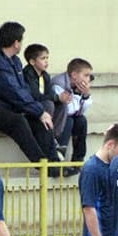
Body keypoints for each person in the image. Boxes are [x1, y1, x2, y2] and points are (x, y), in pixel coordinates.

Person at [0, 21, 62, 176]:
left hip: (6, 105)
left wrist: (38, 111)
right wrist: (39, 111)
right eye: (21, 40)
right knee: (18, 121)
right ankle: (42, 165)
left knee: (39, 121)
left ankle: (54, 164)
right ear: (16, 43)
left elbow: (22, 90)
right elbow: (12, 91)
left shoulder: (15, 61)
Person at [22, 42, 72, 174]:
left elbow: (49, 93)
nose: (46, 61)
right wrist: (54, 98)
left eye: (47, 58)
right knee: (49, 104)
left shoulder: (45, 75)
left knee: (62, 106)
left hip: (43, 107)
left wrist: (59, 98)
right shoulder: (28, 74)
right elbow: (34, 95)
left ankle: (54, 134)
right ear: (32, 61)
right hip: (31, 109)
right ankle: (51, 137)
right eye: (43, 58)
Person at [51, 57, 93, 167]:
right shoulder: (58, 83)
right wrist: (77, 94)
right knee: (69, 120)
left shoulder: (75, 86)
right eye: (86, 75)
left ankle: (78, 160)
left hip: (68, 116)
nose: (88, 79)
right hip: (55, 119)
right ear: (74, 75)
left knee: (81, 120)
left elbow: (79, 112)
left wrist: (84, 95)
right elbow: (68, 109)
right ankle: (59, 154)